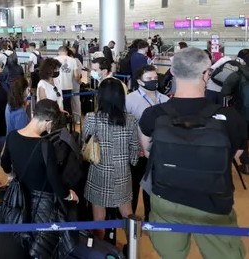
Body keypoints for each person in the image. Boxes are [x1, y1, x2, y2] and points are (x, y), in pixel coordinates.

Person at [139, 47, 247, 259]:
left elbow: (147, 149)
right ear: (206, 74)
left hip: (167, 199)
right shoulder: (230, 117)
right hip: (213, 202)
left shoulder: (153, 115)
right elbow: (234, 155)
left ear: (172, 71)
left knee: (170, 254)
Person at [0, 99, 79, 258]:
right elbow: (53, 179)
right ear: (48, 121)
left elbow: (5, 164)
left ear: (33, 114)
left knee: (27, 242)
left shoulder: (12, 136)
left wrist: (11, 176)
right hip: (43, 205)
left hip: (21, 200)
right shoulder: (44, 145)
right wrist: (69, 195)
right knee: (44, 248)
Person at [83, 78, 139, 238]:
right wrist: (133, 161)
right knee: (128, 215)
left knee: (98, 219)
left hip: (98, 172)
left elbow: (84, 144)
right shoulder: (130, 120)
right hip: (122, 175)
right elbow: (134, 150)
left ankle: (98, 251)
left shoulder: (91, 117)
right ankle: (133, 250)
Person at [124, 65, 169, 222]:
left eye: (155, 78)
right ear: (139, 81)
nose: (153, 81)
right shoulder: (129, 100)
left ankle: (151, 218)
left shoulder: (165, 100)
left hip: (159, 152)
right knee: (134, 186)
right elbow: (125, 126)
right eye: (149, 79)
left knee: (153, 188)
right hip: (137, 152)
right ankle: (131, 221)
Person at [54, 46, 81, 116]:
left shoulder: (54, 59)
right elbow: (76, 75)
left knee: (57, 104)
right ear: (66, 52)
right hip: (68, 86)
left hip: (56, 86)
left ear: (59, 51)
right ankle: (68, 121)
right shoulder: (73, 60)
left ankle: (59, 122)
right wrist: (79, 82)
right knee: (67, 104)